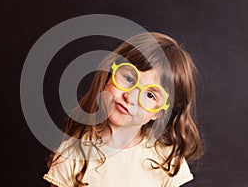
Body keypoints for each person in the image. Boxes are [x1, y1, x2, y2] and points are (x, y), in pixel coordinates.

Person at [43, 32, 204, 187]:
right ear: (108, 76)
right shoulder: (72, 155)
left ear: (159, 112)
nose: (130, 97)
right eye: (128, 78)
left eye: (149, 95)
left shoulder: (167, 159)